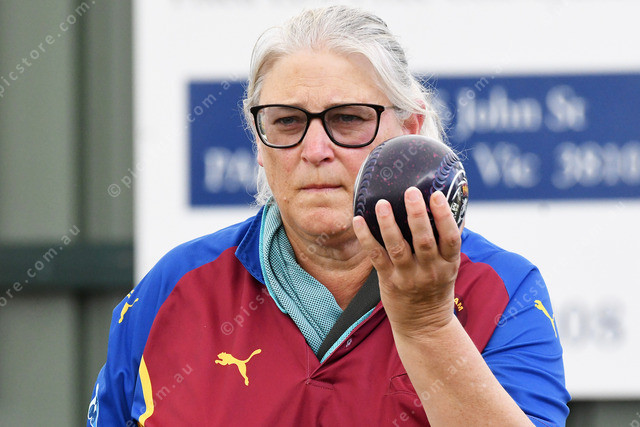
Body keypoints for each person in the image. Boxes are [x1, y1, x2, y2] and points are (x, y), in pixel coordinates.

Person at [87, 5, 570, 426]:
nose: (315, 150)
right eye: (287, 121)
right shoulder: (172, 293)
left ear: (411, 129)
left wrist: (428, 327)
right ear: (259, 143)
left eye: (348, 118)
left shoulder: (499, 292)